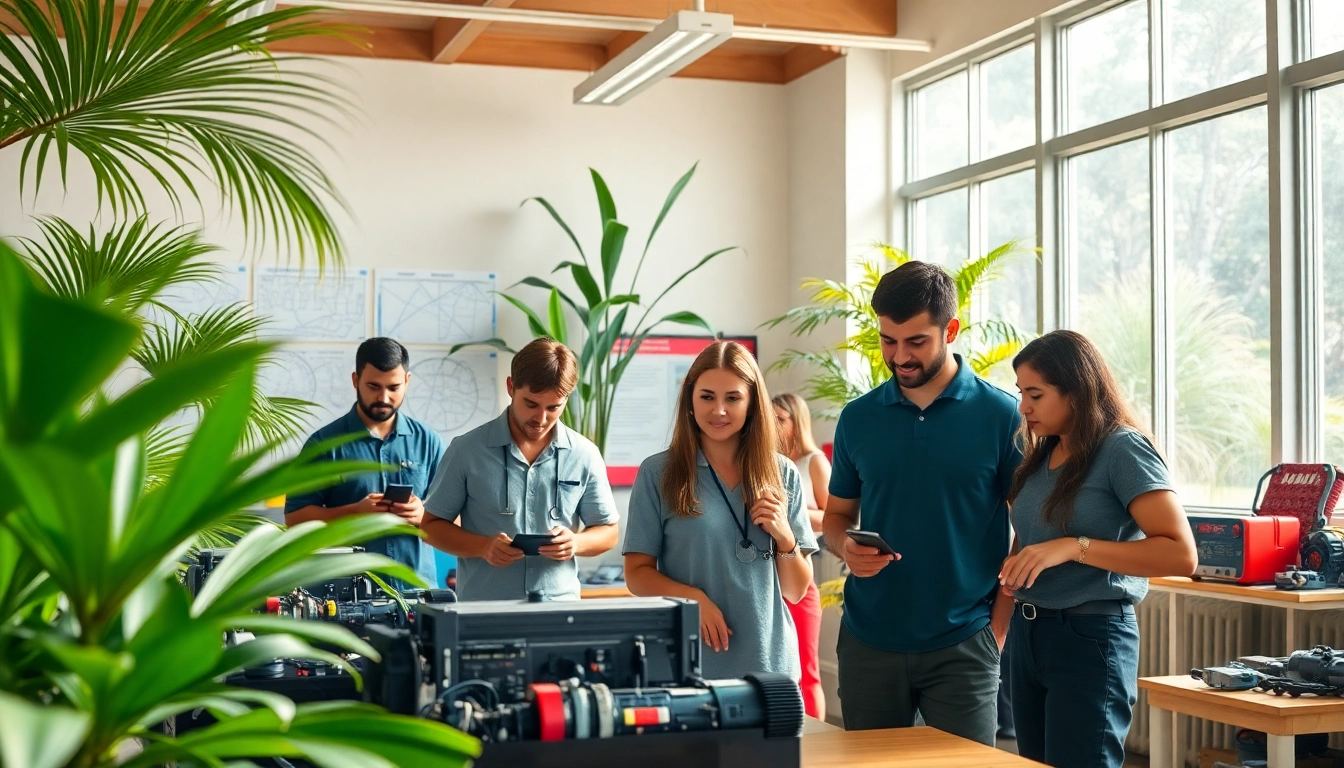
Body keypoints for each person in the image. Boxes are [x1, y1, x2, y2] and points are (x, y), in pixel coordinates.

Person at [821, 260, 1021, 745]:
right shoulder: (858, 418)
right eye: (888, 340)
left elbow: (1029, 530)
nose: (899, 356)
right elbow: (837, 517)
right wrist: (845, 547)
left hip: (965, 644)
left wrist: (995, 631)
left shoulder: (1002, 416)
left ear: (950, 329)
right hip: (869, 642)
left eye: (916, 342)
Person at [999, 330, 1197, 768]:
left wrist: (1074, 547)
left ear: (1076, 391)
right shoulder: (1041, 454)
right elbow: (1032, 536)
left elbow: (1181, 554)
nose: (1023, 407)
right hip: (1029, 635)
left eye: (1036, 394)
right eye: (1021, 394)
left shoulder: (1121, 448)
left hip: (1089, 637)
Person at [624, 341, 817, 681]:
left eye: (733, 398)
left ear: (752, 402)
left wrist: (785, 538)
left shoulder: (783, 473)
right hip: (691, 664)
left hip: (770, 665)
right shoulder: (658, 473)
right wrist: (693, 599)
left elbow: (795, 591)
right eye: (707, 396)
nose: (719, 411)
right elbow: (637, 574)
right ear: (690, 399)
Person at [422, 338, 619, 601]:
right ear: (510, 387)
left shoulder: (585, 454)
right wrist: (483, 547)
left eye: (553, 407)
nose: (541, 419)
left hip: (559, 615)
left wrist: (576, 543)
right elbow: (430, 527)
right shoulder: (466, 450)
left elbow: (609, 531)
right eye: (531, 404)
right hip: (485, 615)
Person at [285, 337, 443, 590]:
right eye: (373, 386)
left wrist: (424, 515)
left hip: (418, 593)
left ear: (407, 381)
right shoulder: (323, 444)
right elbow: (295, 519)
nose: (384, 397)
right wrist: (355, 512)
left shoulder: (429, 441)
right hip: (346, 597)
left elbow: (457, 519)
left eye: (394, 387)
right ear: (355, 380)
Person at [772, 392, 830, 721]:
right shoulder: (764, 462)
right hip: (770, 573)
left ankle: (816, 741)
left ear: (797, 422)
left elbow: (835, 516)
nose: (774, 425)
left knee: (807, 670)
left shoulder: (813, 462)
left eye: (781, 419)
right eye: (771, 419)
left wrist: (792, 514)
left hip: (804, 564)